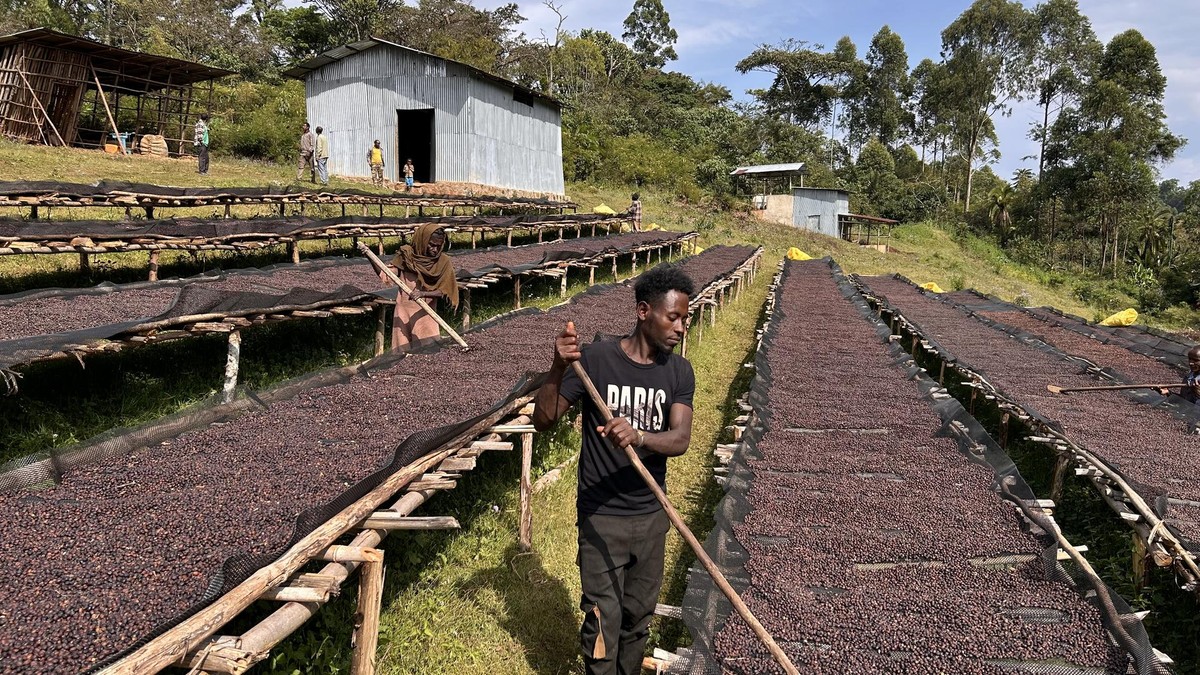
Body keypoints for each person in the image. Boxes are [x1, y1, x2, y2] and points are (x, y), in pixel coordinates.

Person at [532, 264, 696, 675]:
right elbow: (545, 419)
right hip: (602, 516)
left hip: (650, 515)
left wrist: (640, 436)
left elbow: (679, 439)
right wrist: (557, 367)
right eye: (673, 317)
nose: (681, 328)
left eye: (685, 319)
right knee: (602, 621)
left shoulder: (678, 371)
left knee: (637, 619)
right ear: (644, 312)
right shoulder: (597, 362)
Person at [380, 223, 458, 349]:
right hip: (403, 311)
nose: (435, 250)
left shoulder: (443, 261)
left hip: (425, 311)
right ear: (422, 241)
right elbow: (386, 274)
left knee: (428, 351)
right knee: (401, 351)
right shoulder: (406, 256)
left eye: (439, 246)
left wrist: (423, 294)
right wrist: (370, 257)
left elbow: (444, 290)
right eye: (432, 245)